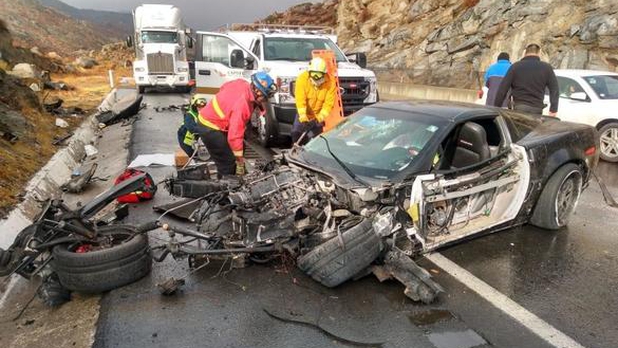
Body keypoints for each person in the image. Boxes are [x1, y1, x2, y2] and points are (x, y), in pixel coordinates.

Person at [195, 71, 276, 176]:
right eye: (266, 96)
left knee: (238, 148)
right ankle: (225, 189)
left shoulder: (242, 83)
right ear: (257, 91)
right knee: (228, 164)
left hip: (215, 120)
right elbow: (234, 136)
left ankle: (229, 178)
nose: (266, 99)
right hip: (210, 127)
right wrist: (239, 162)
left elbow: (224, 87)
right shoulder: (242, 106)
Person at [494, 44, 559, 116]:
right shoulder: (546, 68)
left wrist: (496, 107)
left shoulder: (516, 66)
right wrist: (553, 109)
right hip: (537, 108)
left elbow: (503, 88)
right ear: (539, 52)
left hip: (519, 107)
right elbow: (554, 89)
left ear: (525, 53)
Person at [291, 57, 338, 145]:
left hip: (318, 116)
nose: (316, 78)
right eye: (313, 74)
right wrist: (304, 118)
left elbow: (328, 104)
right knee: (296, 134)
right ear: (309, 73)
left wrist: (317, 119)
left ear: (324, 74)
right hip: (304, 114)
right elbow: (300, 101)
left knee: (314, 141)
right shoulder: (302, 79)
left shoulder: (330, 83)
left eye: (319, 75)